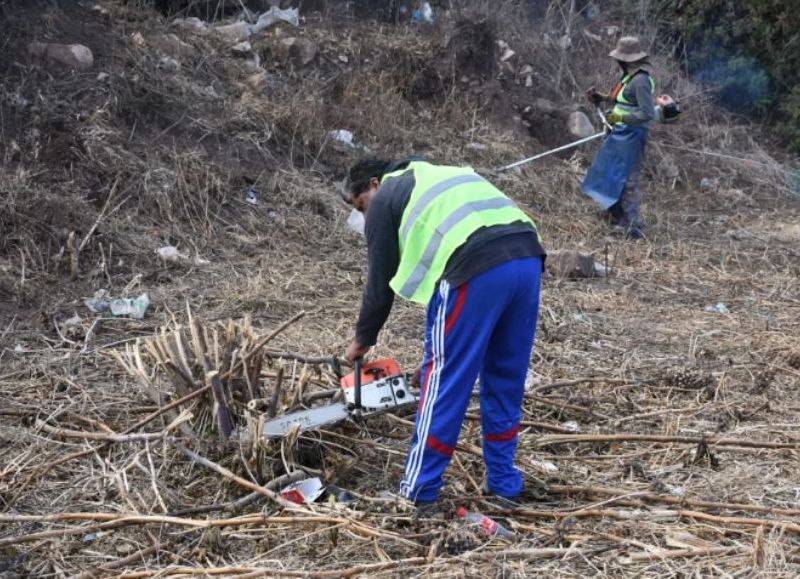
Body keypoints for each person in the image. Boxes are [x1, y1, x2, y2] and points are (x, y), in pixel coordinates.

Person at [342, 158, 546, 510]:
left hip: (475, 263)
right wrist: (434, 358)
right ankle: (504, 484)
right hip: (527, 257)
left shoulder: (386, 196)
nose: (364, 218)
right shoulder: (438, 175)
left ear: (373, 184)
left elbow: (379, 284)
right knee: (506, 378)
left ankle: (418, 492)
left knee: (445, 384)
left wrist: (362, 340)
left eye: (361, 207)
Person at [582, 36, 658, 240]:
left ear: (629, 59)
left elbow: (647, 113)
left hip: (633, 135)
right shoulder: (628, 77)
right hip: (619, 133)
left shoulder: (641, 80)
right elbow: (622, 100)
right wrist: (601, 98)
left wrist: (620, 117)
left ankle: (632, 227)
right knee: (609, 172)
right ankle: (614, 213)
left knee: (628, 180)